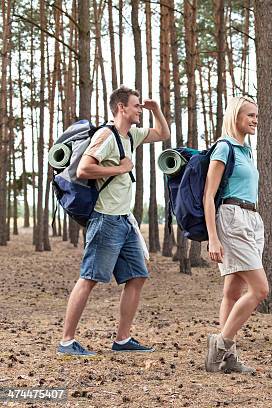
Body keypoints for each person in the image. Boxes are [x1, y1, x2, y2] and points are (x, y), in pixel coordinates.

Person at [57, 86, 170, 356]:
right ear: (121, 108)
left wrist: (156, 110)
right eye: (136, 106)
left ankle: (122, 339)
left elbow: (162, 134)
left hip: (124, 220)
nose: (139, 110)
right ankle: (66, 341)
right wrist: (120, 168)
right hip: (105, 219)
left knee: (137, 276)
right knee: (89, 278)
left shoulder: (130, 134)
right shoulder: (106, 136)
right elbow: (85, 168)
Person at [204, 95, 268, 374]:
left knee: (232, 291)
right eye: (250, 115)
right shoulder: (224, 148)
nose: (255, 120)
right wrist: (213, 237)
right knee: (260, 289)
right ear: (236, 117)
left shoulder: (246, 151)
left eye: (256, 115)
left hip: (252, 219)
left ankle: (227, 359)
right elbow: (208, 196)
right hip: (232, 218)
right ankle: (220, 344)